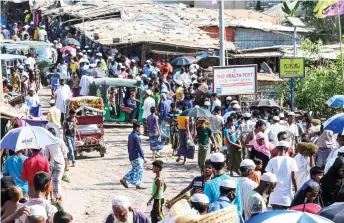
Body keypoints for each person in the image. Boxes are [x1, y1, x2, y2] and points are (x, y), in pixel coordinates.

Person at [265, 141, 298, 210]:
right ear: (287, 149)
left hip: (274, 196)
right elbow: (294, 177)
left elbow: (268, 177)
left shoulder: (272, 160)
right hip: (287, 197)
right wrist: (297, 191)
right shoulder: (292, 160)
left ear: (277, 149)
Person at [120, 121, 147, 190]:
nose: (140, 129)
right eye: (140, 128)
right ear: (137, 128)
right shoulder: (136, 137)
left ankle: (137, 184)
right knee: (138, 169)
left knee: (136, 169)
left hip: (131, 155)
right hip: (136, 156)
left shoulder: (130, 135)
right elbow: (139, 148)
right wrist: (143, 157)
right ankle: (125, 178)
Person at [45, 128, 68, 201]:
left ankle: (59, 196)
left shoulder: (60, 141)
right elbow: (46, 156)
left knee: (57, 180)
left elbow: (65, 153)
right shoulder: (47, 144)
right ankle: (53, 197)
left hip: (60, 163)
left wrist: (66, 165)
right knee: (51, 181)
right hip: (52, 164)